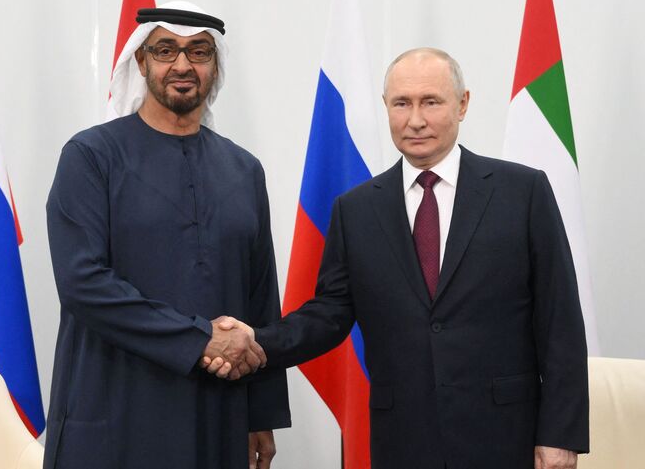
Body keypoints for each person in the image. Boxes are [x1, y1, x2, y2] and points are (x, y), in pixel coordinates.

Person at [206, 48, 589, 469]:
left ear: (462, 104)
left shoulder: (523, 192)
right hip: (404, 440)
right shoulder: (355, 210)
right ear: (386, 107)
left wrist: (559, 436)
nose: (416, 120)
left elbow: (560, 322)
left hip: (506, 437)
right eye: (402, 103)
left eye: (431, 101)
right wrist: (256, 341)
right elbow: (327, 316)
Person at [44, 1, 290, 469]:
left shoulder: (243, 169)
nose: (182, 65)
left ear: (215, 65)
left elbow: (260, 298)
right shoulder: (91, 156)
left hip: (217, 409)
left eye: (198, 52)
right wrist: (201, 339)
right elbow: (83, 283)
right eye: (165, 51)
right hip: (114, 406)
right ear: (141, 61)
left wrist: (262, 411)